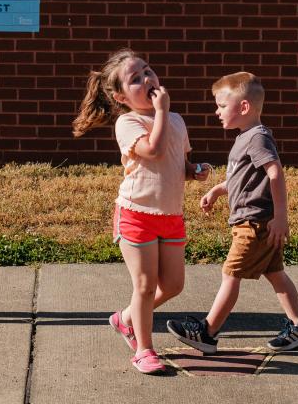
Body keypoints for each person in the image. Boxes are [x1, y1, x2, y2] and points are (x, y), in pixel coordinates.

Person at [72, 49, 210, 375]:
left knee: (173, 285)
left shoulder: (175, 119)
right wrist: (161, 111)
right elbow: (153, 150)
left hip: (170, 215)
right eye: (136, 79)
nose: (147, 79)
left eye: (148, 71)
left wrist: (195, 170)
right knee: (145, 285)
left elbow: (176, 162)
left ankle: (126, 317)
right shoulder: (128, 122)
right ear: (120, 96)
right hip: (137, 214)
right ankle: (144, 349)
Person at [166, 72, 298, 355]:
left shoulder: (258, 138)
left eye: (222, 106)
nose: (217, 111)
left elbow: (275, 173)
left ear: (244, 107)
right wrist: (217, 190)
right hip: (253, 221)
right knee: (275, 273)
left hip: (256, 223)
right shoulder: (245, 138)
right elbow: (243, 178)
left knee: (231, 274)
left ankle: (208, 332)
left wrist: (281, 216)